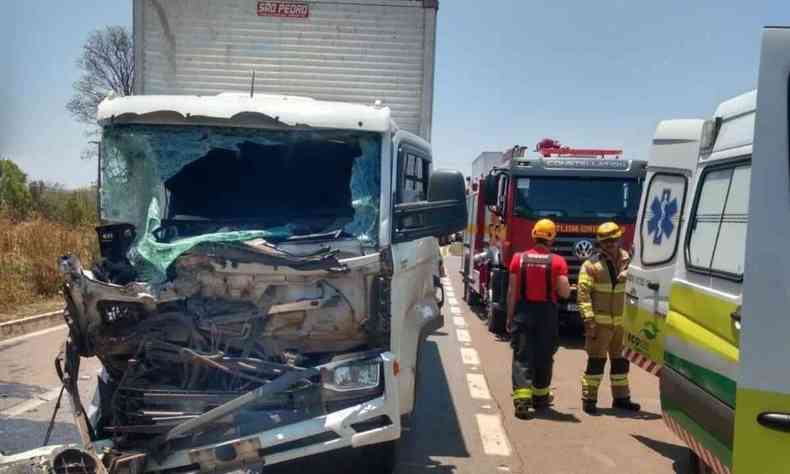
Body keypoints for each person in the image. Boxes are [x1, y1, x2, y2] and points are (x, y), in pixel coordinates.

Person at [506, 219, 570, 419]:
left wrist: (510, 317)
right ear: (551, 238)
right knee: (544, 356)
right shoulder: (558, 261)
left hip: (523, 312)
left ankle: (522, 402)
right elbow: (565, 292)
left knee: (522, 356)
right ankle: (540, 398)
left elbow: (511, 292)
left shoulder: (519, 259)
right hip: (546, 315)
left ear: (534, 235)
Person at [578, 222, 641, 415]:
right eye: (605, 241)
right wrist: (589, 320)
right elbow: (583, 294)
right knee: (596, 363)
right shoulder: (591, 265)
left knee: (621, 363)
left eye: (613, 240)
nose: (610, 244)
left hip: (622, 325)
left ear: (619, 239)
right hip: (599, 325)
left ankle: (621, 399)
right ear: (600, 243)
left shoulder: (630, 261)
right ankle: (589, 400)